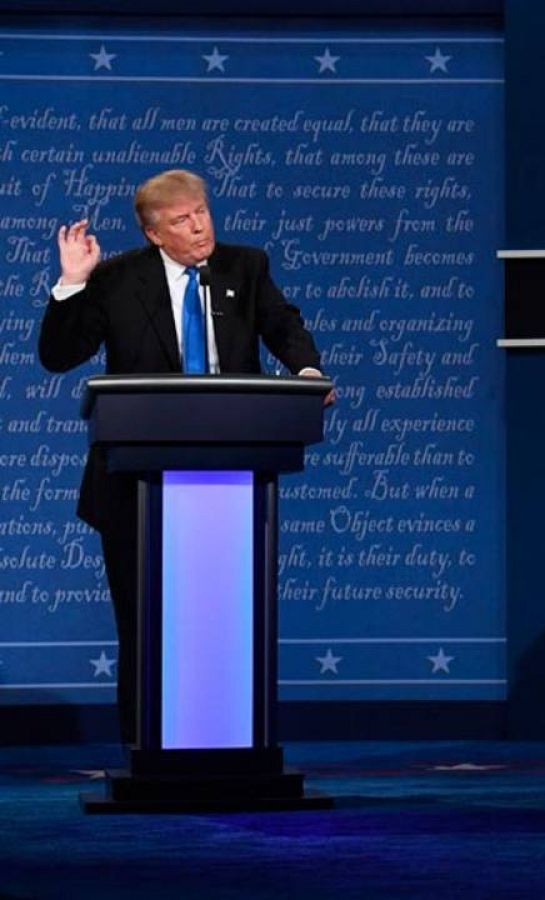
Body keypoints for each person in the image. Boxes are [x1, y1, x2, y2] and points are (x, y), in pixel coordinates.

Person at [37, 168, 329, 746]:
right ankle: (144, 749)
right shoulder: (117, 279)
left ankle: (236, 747)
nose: (199, 227)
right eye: (181, 220)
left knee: (228, 622)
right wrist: (72, 284)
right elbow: (58, 355)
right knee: (144, 623)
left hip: (234, 474)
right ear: (154, 234)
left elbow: (281, 323)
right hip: (132, 483)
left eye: (202, 212)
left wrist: (306, 369)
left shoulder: (246, 267)